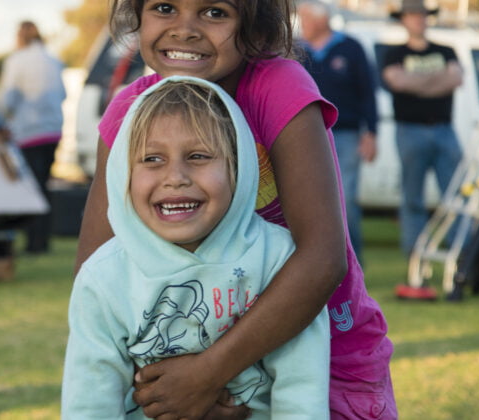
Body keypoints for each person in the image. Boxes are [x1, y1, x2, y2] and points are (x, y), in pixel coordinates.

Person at [74, 0, 396, 419]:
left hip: (320, 360)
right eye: (164, 7)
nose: (186, 29)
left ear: (252, 24)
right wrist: (181, 386)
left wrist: (211, 374)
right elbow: (97, 274)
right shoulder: (127, 115)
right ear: (139, 15)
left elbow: (322, 258)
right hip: (180, 373)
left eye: (215, 13)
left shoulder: (278, 89)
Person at [62, 77, 330, 418]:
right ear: (122, 174)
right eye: (152, 159)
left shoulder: (276, 259)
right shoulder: (103, 277)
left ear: (238, 167)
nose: (176, 177)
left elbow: (301, 391)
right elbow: (89, 401)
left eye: (199, 156)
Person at [380, 0, 463, 256]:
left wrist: (415, 81)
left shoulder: (445, 50)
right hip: (410, 130)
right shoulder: (394, 53)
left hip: (444, 129)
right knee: (412, 196)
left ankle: (462, 251)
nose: (419, 20)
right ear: (403, 20)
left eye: (423, 15)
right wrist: (437, 80)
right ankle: (415, 253)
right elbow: (397, 82)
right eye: (413, 15)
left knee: (455, 194)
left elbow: (456, 79)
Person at [296, 0, 378, 264]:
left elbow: (368, 93)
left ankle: (351, 262)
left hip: (345, 135)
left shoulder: (350, 48)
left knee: (344, 200)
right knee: (303, 198)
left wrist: (371, 133)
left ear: (322, 20)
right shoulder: (295, 49)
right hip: (303, 135)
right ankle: (312, 259)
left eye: (306, 18)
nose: (302, 24)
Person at [0, 20, 67, 254]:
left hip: (28, 132)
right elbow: (64, 94)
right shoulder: (53, 61)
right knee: (44, 185)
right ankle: (42, 240)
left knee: (30, 188)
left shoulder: (17, 61)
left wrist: (1, 120)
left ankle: (32, 243)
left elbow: (8, 98)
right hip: (53, 131)